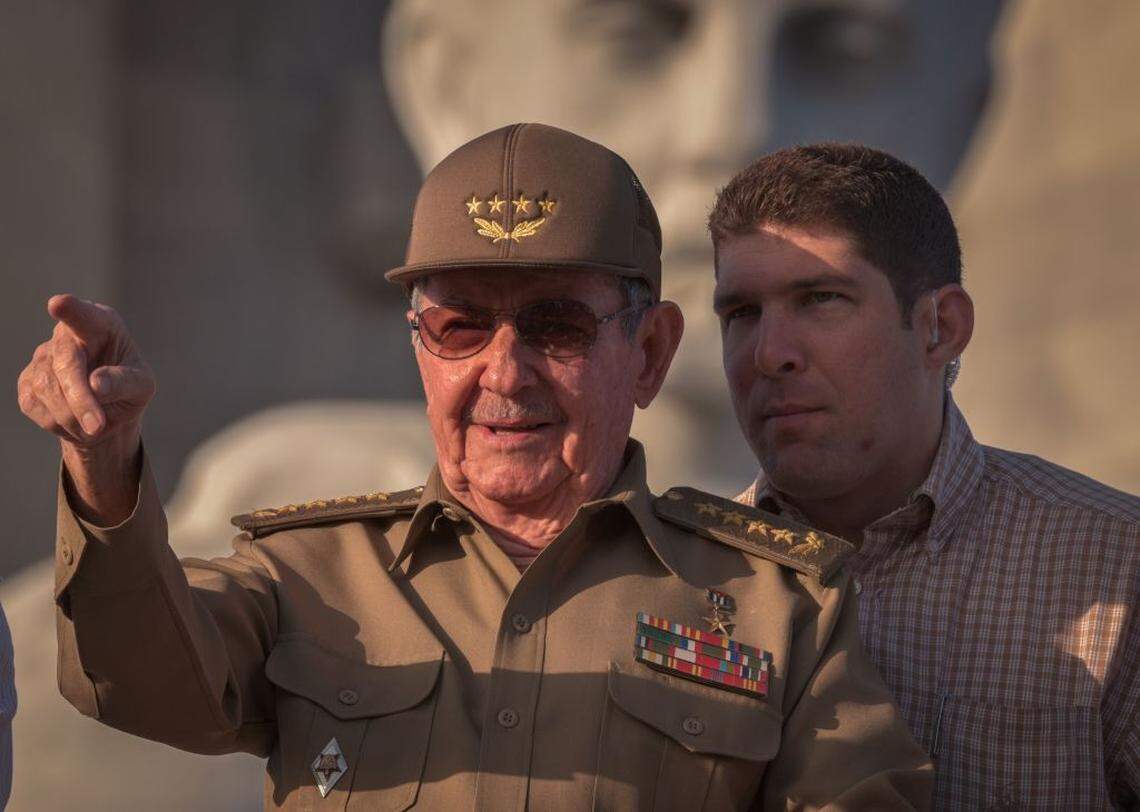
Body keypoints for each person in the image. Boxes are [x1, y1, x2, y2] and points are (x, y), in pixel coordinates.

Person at [18, 124, 931, 809]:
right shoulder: (308, 577)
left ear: (648, 354)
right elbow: (134, 681)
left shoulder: (783, 605)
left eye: (557, 326)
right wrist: (102, 462)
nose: (504, 372)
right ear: (421, 350)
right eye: (460, 326)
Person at [710, 143, 1140, 809]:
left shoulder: (1115, 568)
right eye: (741, 313)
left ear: (940, 327)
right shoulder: (686, 578)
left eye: (820, 299)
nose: (770, 354)